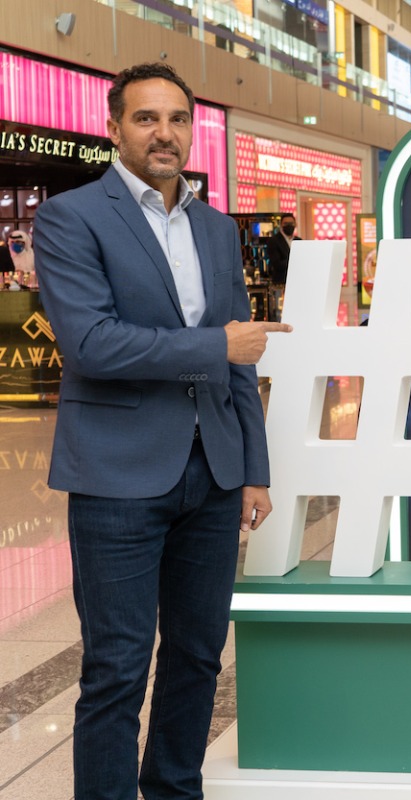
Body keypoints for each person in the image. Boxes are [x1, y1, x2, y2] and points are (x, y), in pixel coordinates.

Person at [34, 62, 292, 800]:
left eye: (177, 119)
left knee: (199, 656)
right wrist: (218, 346)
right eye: (146, 119)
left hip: (212, 474)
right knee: (116, 666)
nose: (164, 133)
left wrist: (255, 466)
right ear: (113, 129)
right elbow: (92, 344)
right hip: (117, 475)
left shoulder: (215, 229)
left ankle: (176, 789)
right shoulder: (72, 217)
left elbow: (237, 363)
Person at [265, 212, 300, 288]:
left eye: (291, 223)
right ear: (281, 225)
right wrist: (296, 261)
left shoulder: (299, 241)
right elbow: (277, 263)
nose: (289, 226)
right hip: (281, 283)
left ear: (295, 224)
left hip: (298, 281)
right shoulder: (273, 241)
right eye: (286, 223)